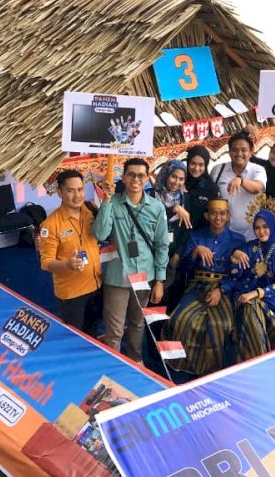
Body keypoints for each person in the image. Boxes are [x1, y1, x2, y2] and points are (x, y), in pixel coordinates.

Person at [94, 158, 169, 361]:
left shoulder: (156, 207)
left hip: (145, 275)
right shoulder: (114, 203)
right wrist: (107, 200)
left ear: (147, 178)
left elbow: (162, 245)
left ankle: (136, 362)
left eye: (141, 175)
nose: (136, 179)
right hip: (118, 276)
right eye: (131, 174)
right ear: (124, 177)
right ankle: (114, 366)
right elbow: (100, 234)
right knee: (115, 330)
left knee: (137, 323)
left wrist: (160, 281)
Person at [165, 198, 246, 377]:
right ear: (207, 215)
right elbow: (184, 268)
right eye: (214, 213)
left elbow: (240, 276)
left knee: (221, 324)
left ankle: (214, 371)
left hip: (224, 289)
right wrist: (195, 252)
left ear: (228, 216)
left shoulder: (237, 240)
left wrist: (221, 289)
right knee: (179, 319)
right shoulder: (196, 236)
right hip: (197, 286)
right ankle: (178, 368)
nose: (218, 217)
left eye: (222, 213)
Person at [223, 208, 275, 362]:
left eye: (265, 227)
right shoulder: (249, 247)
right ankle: (258, 360)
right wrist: (235, 257)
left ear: (273, 226)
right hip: (244, 295)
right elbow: (236, 275)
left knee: (250, 306)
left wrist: (255, 294)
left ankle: (252, 360)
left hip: (273, 302)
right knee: (249, 306)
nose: (261, 231)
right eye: (257, 228)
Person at [39, 170, 102, 332]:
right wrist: (67, 264)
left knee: (93, 332)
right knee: (76, 337)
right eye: (70, 190)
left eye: (80, 189)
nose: (77, 195)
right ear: (60, 192)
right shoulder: (50, 224)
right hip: (72, 294)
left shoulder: (90, 212)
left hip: (97, 286)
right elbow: (46, 263)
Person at [150, 160, 192, 306]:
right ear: (166, 174)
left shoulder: (185, 199)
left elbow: (187, 230)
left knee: (167, 303)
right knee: (148, 302)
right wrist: (173, 209)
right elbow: (150, 219)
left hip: (171, 260)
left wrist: (178, 254)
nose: (177, 182)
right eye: (173, 177)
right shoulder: (150, 195)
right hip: (150, 257)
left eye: (181, 179)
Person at [211, 131, 267, 238]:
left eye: (244, 150)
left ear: (251, 151)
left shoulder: (257, 170)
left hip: (252, 235)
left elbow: (258, 187)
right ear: (229, 152)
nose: (239, 153)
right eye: (235, 150)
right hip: (225, 235)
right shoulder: (218, 170)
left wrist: (240, 180)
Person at [184, 145, 220, 230]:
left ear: (206, 165)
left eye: (201, 165)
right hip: (180, 235)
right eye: (193, 163)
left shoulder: (211, 188)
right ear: (188, 163)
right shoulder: (180, 182)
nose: (196, 168)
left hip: (202, 236)